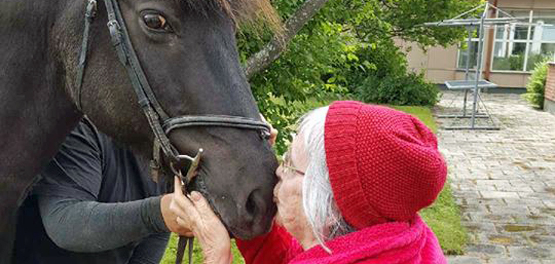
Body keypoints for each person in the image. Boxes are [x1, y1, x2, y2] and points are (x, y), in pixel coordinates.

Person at [169, 101, 448, 264]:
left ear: (330, 205)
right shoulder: (398, 244)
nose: (278, 171)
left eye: (290, 165)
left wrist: (216, 256)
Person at [13, 118, 190, 264]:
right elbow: (63, 221)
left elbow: (155, 236)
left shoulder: (165, 155)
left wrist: (162, 217)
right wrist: (155, 214)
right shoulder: (81, 129)